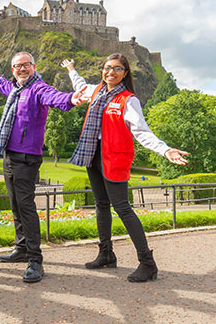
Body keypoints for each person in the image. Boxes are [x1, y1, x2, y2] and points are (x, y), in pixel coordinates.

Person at [62, 55, 188, 282]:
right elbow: (80, 86)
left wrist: (165, 149)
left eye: (117, 69)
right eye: (107, 68)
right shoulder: (96, 91)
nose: (111, 72)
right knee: (101, 205)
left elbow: (142, 132)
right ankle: (106, 254)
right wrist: (71, 69)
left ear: (125, 73)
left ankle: (147, 263)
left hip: (115, 158)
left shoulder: (128, 100)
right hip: (93, 154)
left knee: (122, 208)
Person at [0, 53, 88, 283]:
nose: (22, 69)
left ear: (34, 67)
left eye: (26, 65)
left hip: (27, 157)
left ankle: (35, 260)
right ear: (13, 70)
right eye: (18, 66)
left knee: (26, 206)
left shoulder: (38, 88)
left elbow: (54, 96)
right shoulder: (15, 89)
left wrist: (71, 99)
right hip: (9, 154)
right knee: (16, 205)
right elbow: (1, 84)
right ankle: (21, 248)